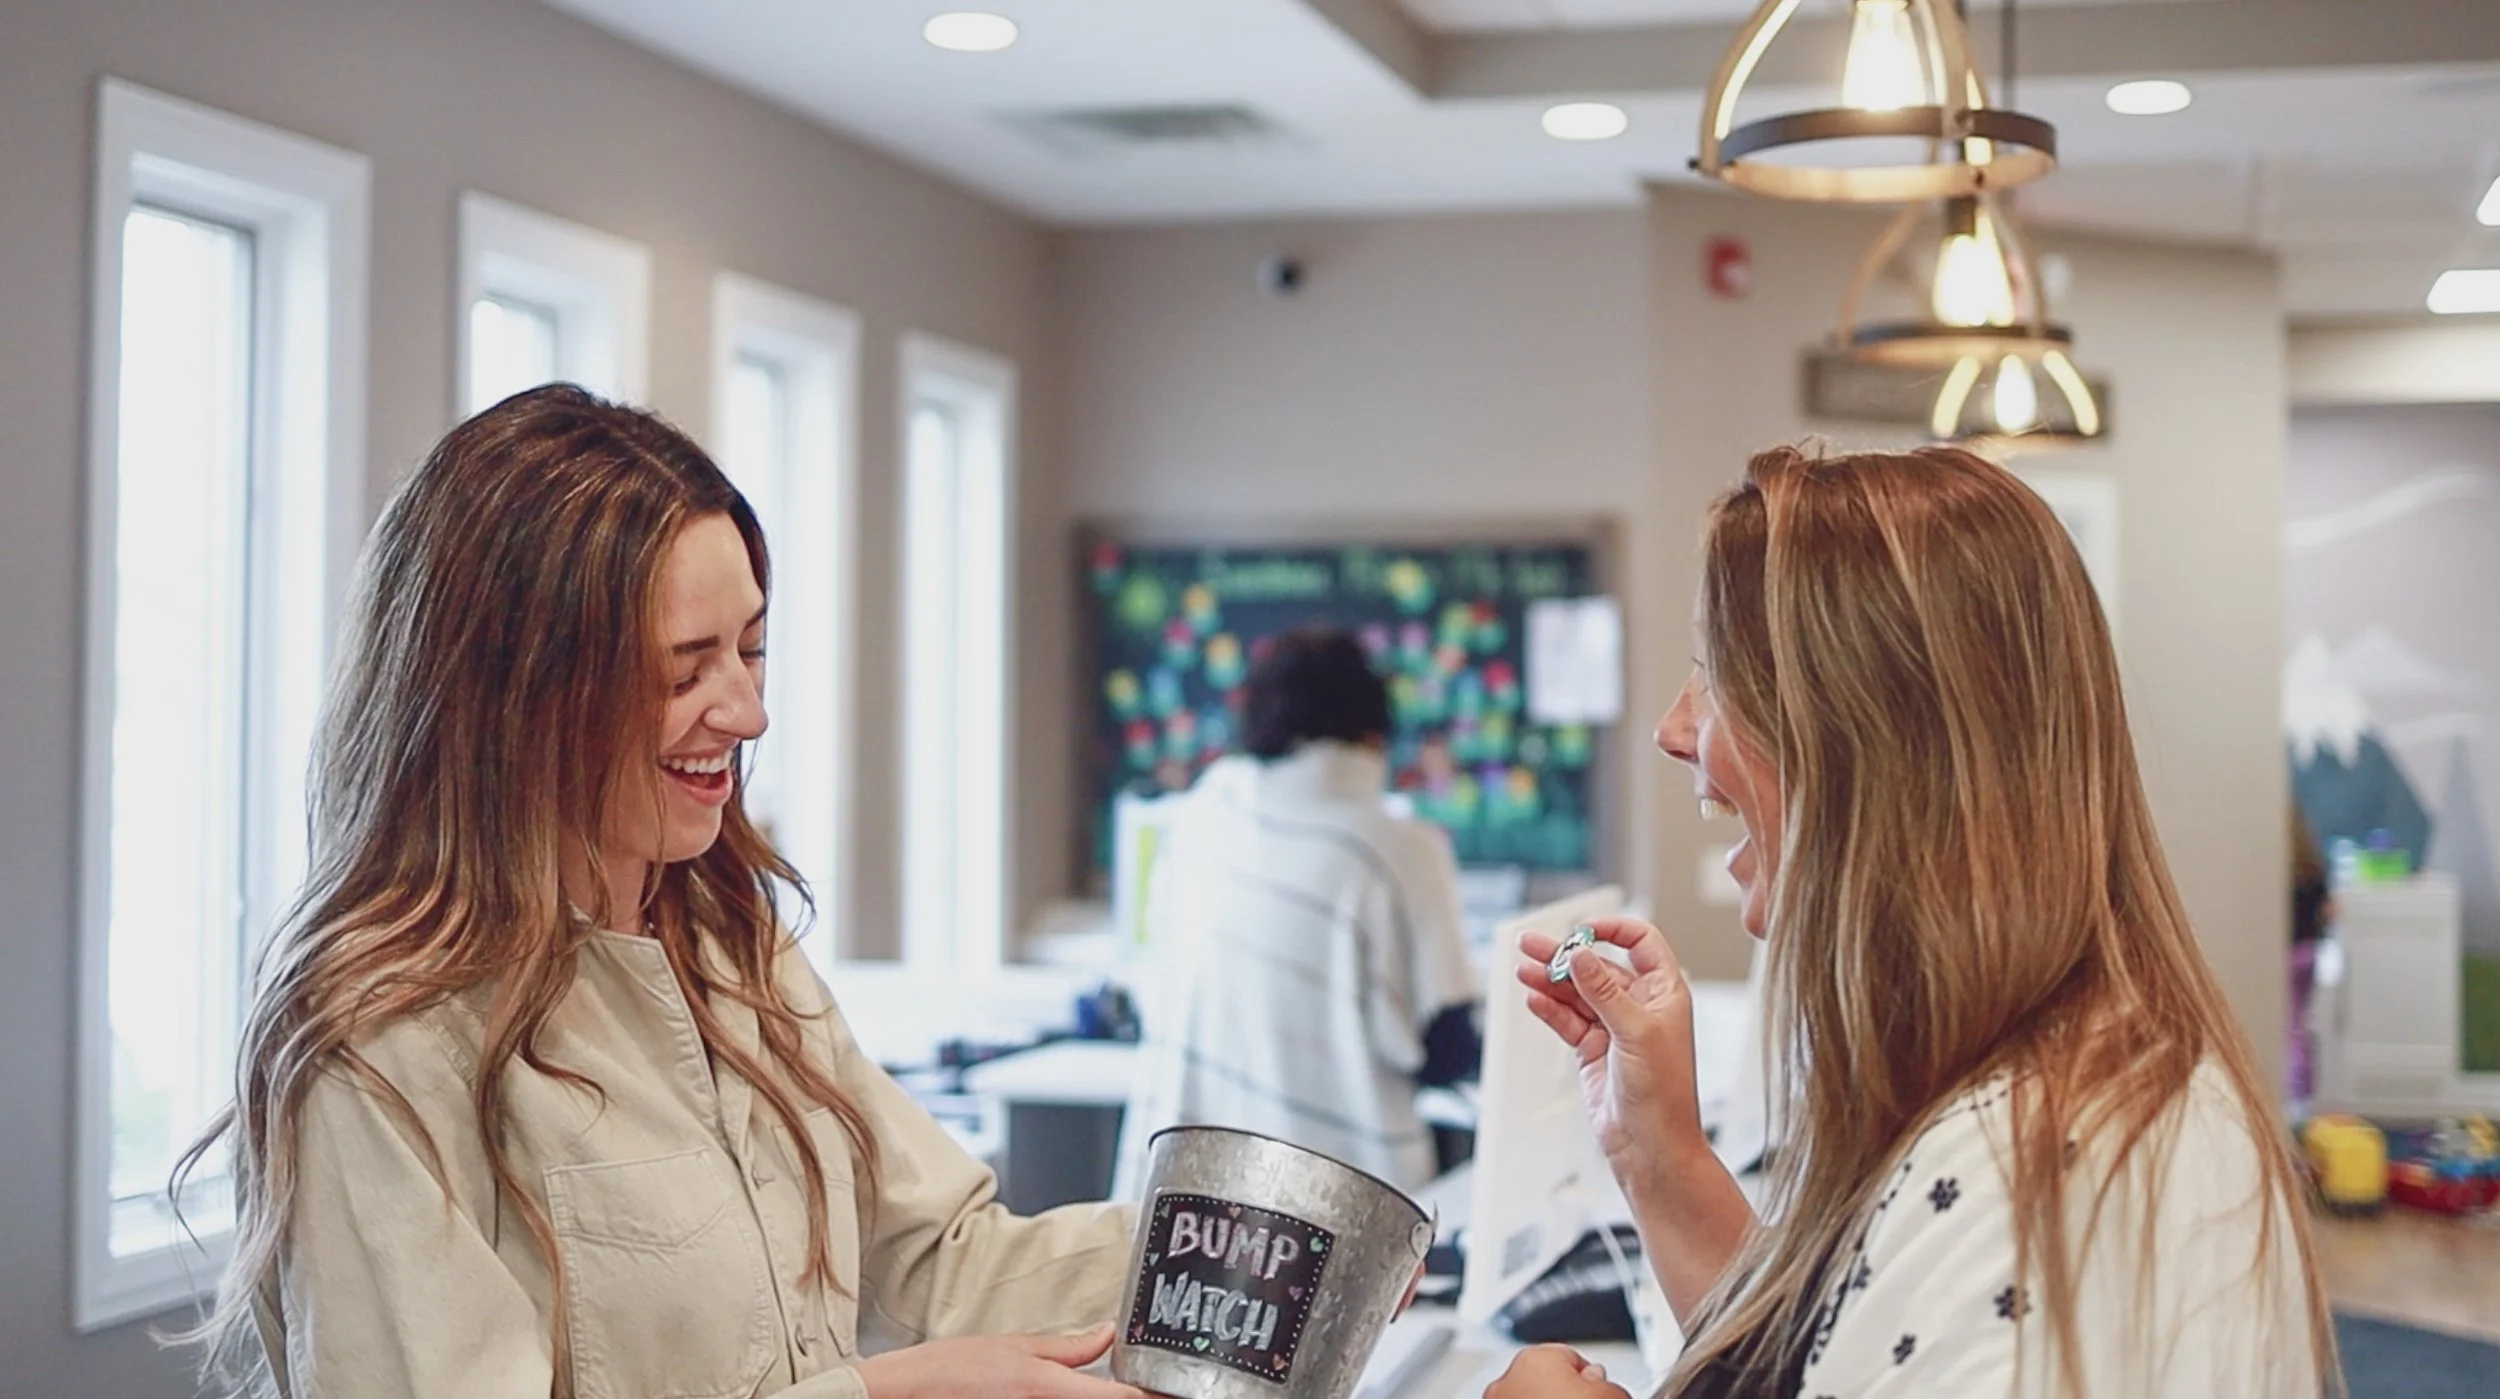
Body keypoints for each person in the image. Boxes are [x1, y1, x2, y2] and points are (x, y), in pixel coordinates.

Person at [177, 386, 1146, 1399]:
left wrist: (1239, 1251)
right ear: (517, 696)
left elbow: (939, 1262)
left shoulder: (735, 945)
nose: (749, 710)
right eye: (685, 670)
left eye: (751, 649)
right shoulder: (378, 1049)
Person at [1486, 446, 2336, 1398]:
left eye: (1715, 675)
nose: (1676, 728)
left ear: (1866, 746)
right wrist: (1656, 1150)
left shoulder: (2029, 1172)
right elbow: (1836, 1357)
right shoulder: (2039, 1086)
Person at [1115, 626, 1478, 1195]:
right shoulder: (1400, 850)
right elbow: (1447, 1050)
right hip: (1342, 1209)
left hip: (1187, 1202)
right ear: (1373, 730)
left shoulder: (1199, 821)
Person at [2288, 806, 2335, 1112]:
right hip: (2310, 951)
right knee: (2301, 1026)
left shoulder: (2280, 867)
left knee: (2289, 1026)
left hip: (2287, 954)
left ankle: (2293, 1098)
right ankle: (2307, 1094)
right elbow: (2330, 909)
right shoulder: (2312, 863)